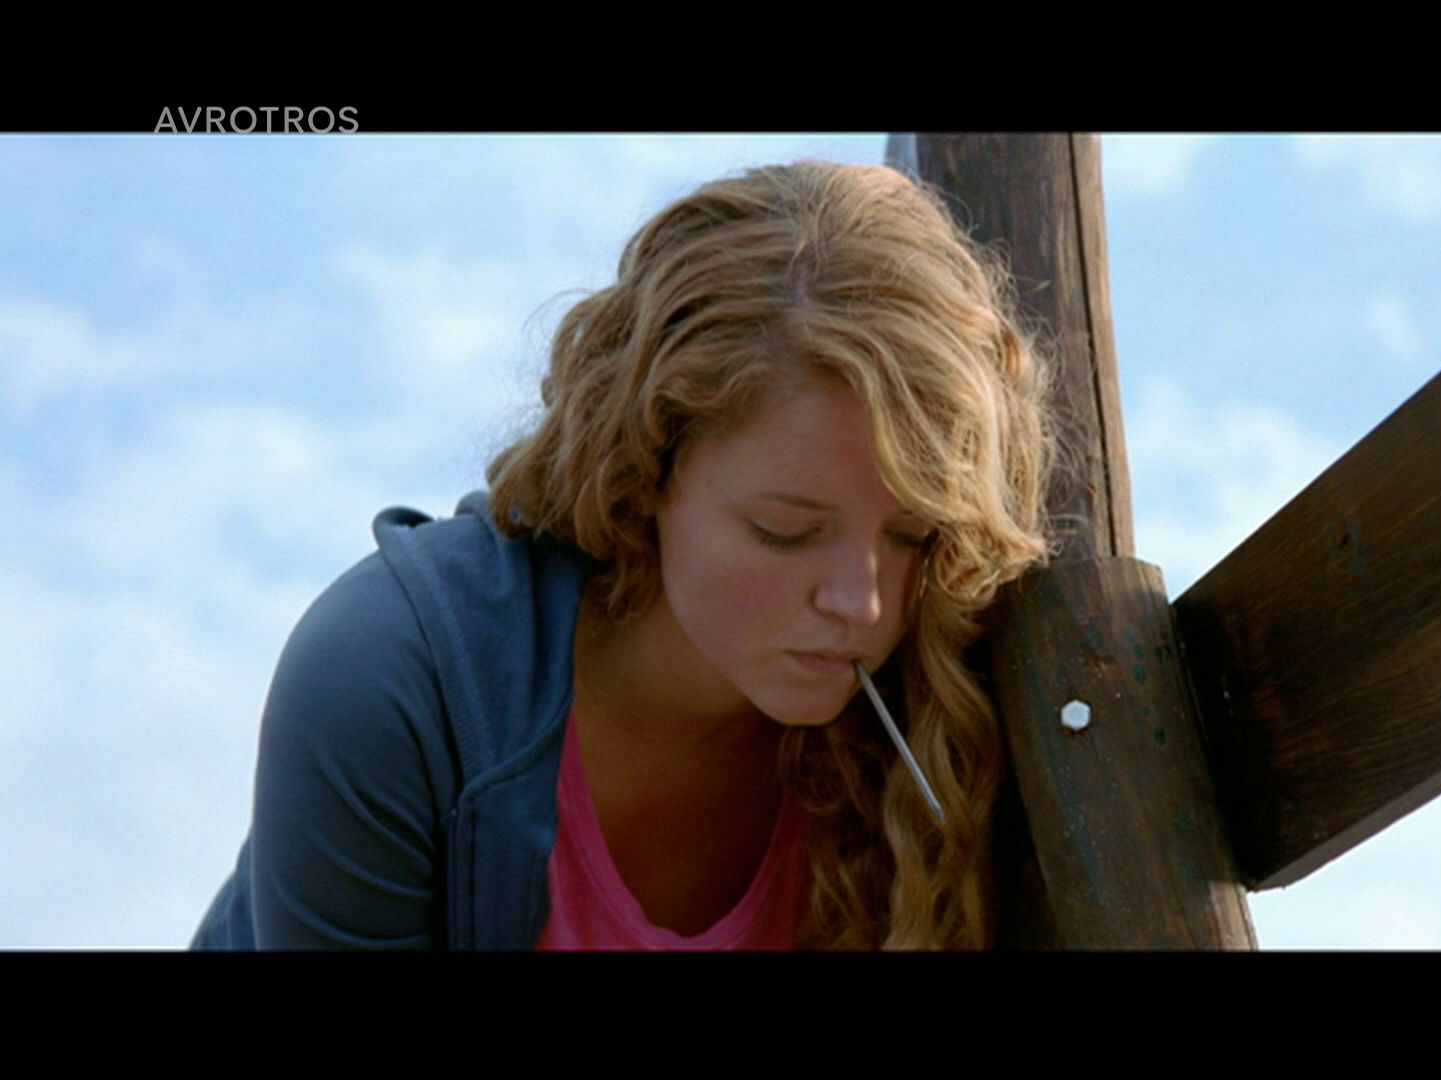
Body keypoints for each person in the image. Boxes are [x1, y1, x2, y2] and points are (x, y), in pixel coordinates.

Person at [190, 159, 1064, 950]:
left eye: (911, 536)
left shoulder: (936, 698)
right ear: (646, 469)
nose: (862, 605)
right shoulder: (389, 682)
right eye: (785, 531)